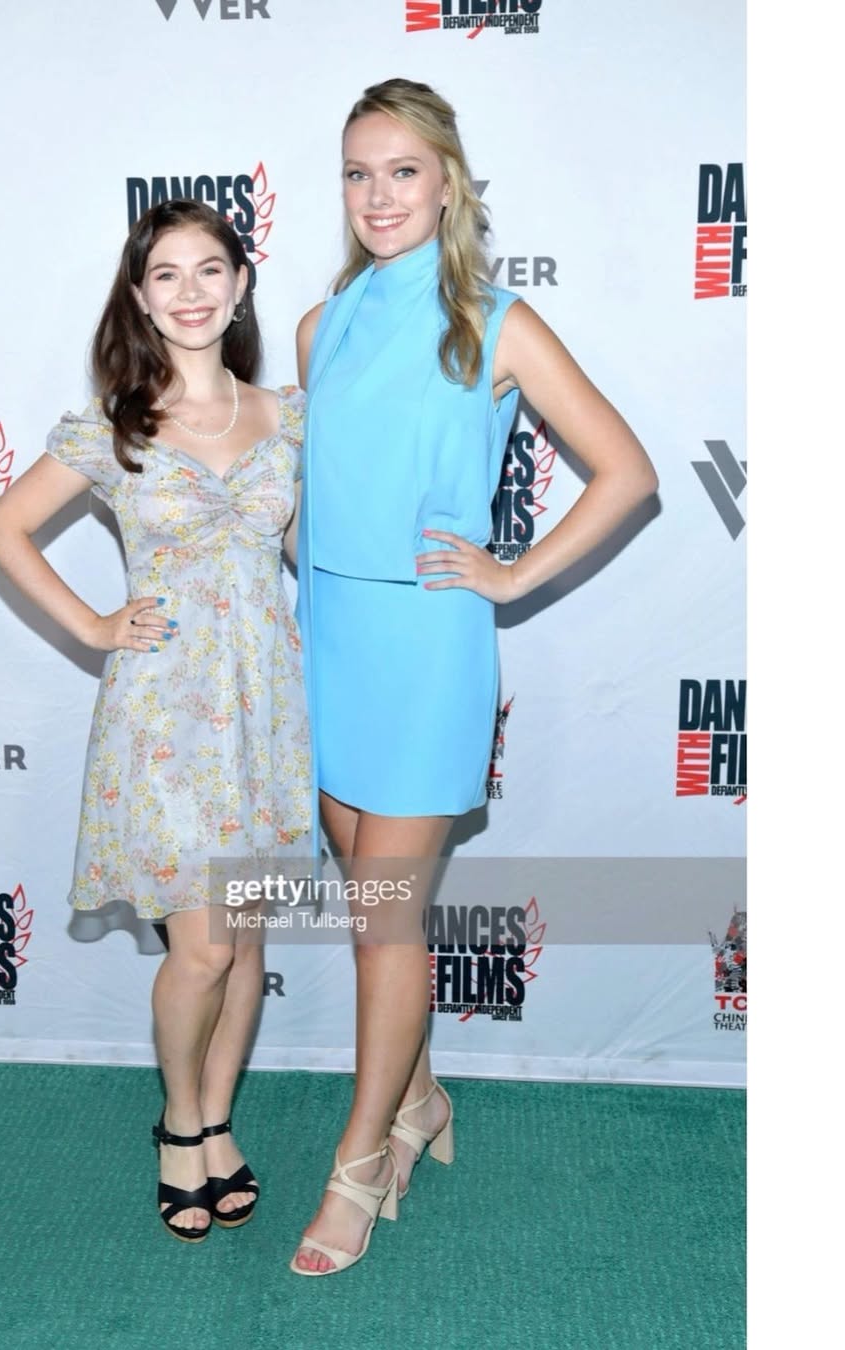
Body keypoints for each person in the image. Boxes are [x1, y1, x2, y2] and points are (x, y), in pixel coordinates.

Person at [288, 78, 659, 1276]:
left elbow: (628, 471)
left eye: (402, 170)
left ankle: (357, 1167)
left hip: (426, 648)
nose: (379, 195)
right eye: (358, 173)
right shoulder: (320, 326)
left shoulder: (499, 325)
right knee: (368, 903)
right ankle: (419, 1100)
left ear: (448, 182)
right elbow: (315, 493)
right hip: (331, 637)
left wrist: (512, 572)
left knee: (382, 923)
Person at [0, 199, 312, 1245]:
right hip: (166, 718)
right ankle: (177, 1125)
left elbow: (316, 557)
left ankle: (216, 1120)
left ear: (241, 284)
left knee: (244, 946)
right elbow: (3, 529)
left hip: (265, 711)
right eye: (166, 274)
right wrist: (93, 624)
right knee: (203, 949)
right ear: (139, 295)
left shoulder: (291, 418)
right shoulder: (112, 425)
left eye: (210, 269)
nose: (191, 292)